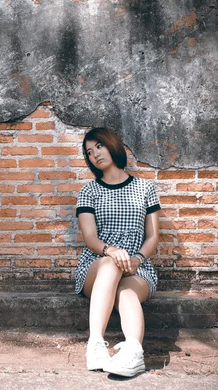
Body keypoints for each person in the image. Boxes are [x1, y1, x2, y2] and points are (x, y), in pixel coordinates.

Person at [75, 127, 161, 377]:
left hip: (137, 265)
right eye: (89, 152)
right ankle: (96, 346)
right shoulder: (89, 191)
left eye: (99, 146)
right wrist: (111, 251)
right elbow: (90, 237)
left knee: (125, 292)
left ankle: (133, 353)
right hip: (97, 265)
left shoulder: (145, 188)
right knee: (111, 264)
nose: (95, 155)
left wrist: (137, 259)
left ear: (111, 145)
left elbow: (153, 236)